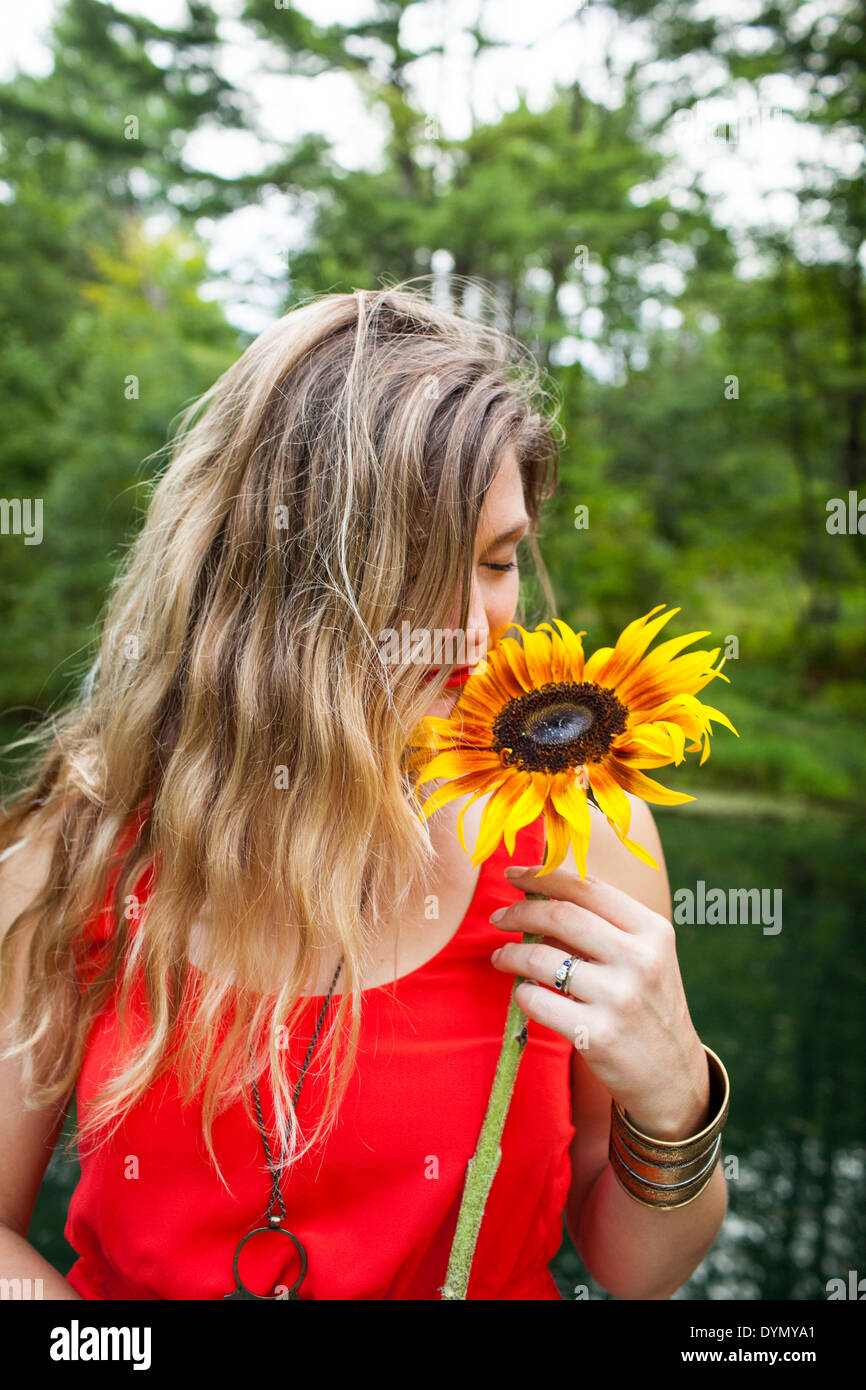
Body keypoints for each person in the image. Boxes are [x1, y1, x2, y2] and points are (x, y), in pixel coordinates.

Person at [0, 280, 727, 1301]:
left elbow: (635, 1269)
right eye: (427, 568)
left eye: (499, 561)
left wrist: (673, 1098)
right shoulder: (80, 846)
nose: (482, 634)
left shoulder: (575, 835)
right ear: (278, 578)